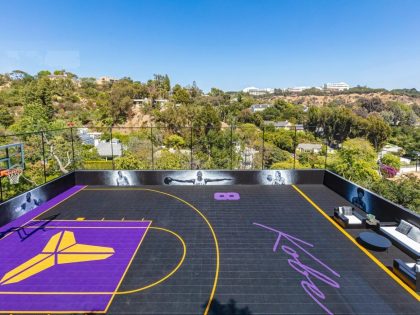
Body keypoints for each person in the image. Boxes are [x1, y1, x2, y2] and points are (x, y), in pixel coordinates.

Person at [165, 171, 232, 185]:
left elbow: (216, 180)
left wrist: (225, 179)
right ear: (197, 175)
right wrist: (173, 179)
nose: (199, 176)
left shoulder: (205, 180)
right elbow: (183, 181)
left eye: (200, 175)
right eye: (198, 175)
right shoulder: (193, 180)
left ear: (201, 175)